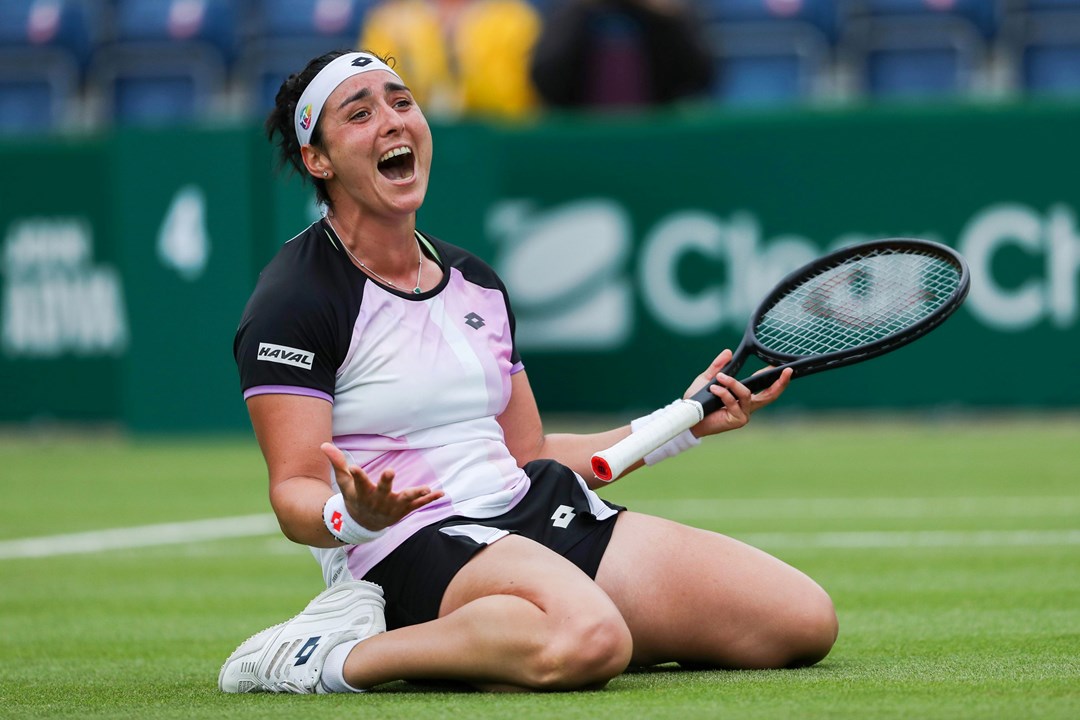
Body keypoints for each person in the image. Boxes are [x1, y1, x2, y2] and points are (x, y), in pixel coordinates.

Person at [220, 49, 837, 695]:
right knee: (590, 639)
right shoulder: (295, 298)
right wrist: (355, 517)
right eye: (360, 113)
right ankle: (326, 658)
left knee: (797, 622)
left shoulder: (474, 282)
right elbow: (293, 492)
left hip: (526, 510)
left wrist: (684, 423)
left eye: (402, 102)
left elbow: (532, 453)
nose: (393, 121)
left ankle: (522, 634)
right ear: (317, 159)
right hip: (407, 544)